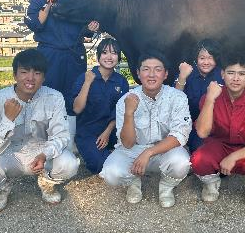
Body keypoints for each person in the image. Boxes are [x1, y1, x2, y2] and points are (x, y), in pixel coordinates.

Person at [0, 49, 79, 213]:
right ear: (15, 75)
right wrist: (7, 120)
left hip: (41, 151)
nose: (30, 78)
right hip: (9, 153)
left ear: (44, 77)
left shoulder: (54, 98)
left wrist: (44, 154)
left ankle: (47, 183)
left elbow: (61, 136)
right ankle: (1, 189)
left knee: (69, 163)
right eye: (24, 72)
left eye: (37, 73)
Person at [24, 0, 100, 151]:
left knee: (73, 96)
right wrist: (48, 4)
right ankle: (43, 141)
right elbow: (35, 23)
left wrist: (92, 28)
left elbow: (88, 29)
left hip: (74, 54)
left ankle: (70, 141)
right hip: (49, 54)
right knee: (46, 94)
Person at [100, 50, 192, 208]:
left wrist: (148, 152)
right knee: (111, 173)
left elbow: (180, 135)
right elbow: (127, 144)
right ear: (138, 73)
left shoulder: (177, 97)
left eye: (157, 69)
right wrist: (129, 113)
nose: (151, 74)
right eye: (146, 69)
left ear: (165, 74)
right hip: (133, 150)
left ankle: (166, 187)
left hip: (164, 149)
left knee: (181, 162)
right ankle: (133, 182)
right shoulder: (126, 100)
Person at [191, 50, 245, 209]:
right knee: (198, 159)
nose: (236, 78)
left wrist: (233, 157)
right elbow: (202, 132)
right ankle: (211, 184)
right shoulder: (211, 96)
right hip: (220, 146)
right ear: (222, 74)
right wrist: (210, 99)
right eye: (231, 73)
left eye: (241, 73)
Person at [71, 38, 129, 174]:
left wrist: (108, 131)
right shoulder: (85, 77)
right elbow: (77, 108)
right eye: (104, 53)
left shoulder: (121, 81)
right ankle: (109, 158)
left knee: (131, 151)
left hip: (113, 130)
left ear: (118, 58)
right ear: (98, 57)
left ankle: (113, 156)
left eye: (114, 53)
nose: (109, 57)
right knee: (99, 164)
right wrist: (87, 83)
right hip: (88, 131)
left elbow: (121, 110)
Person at [175, 39, 224, 153]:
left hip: (217, 125)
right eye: (202, 58)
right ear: (196, 59)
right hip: (190, 125)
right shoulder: (187, 72)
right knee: (199, 148)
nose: (206, 62)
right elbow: (175, 99)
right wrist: (182, 77)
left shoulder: (222, 74)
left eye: (210, 58)